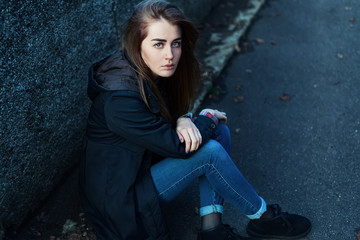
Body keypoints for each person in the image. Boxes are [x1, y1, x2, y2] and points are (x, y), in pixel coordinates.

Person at [79, 0, 312, 239]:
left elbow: (165, 118)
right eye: (158, 44)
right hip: (122, 197)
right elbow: (178, 146)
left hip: (141, 165)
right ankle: (263, 217)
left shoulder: (148, 68)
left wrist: (184, 118)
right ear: (136, 43)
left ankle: (212, 228)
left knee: (219, 132)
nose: (170, 55)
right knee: (209, 151)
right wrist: (205, 118)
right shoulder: (119, 100)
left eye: (175, 43)